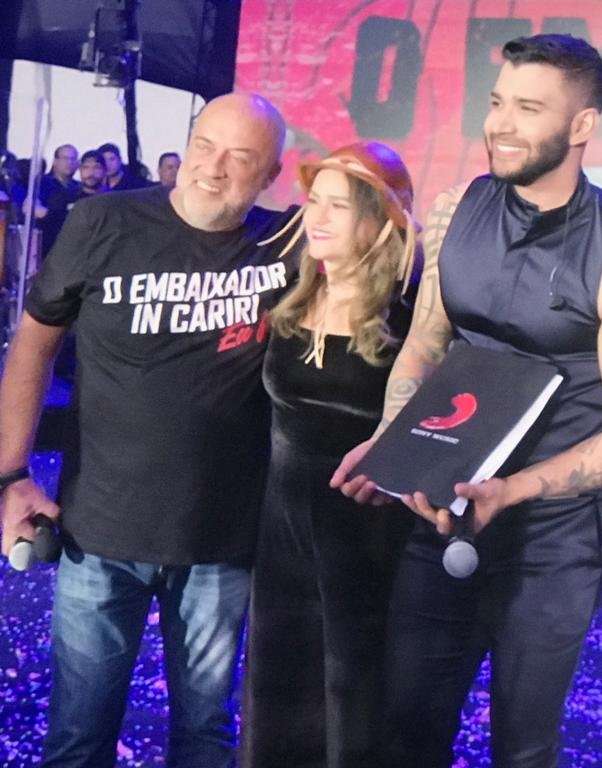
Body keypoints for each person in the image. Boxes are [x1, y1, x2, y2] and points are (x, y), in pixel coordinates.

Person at [334, 34, 602, 768]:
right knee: (404, 731)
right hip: (442, 511)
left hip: (552, 543)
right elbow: (425, 344)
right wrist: (395, 444)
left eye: (528, 108)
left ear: (582, 125)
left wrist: (512, 491)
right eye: (497, 103)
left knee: (521, 747)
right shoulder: (457, 208)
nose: (500, 124)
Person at [0, 92, 293, 767]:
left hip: (221, 541)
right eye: (204, 146)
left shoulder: (288, 243)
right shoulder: (103, 221)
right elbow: (34, 343)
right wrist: (12, 475)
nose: (212, 168)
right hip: (97, 534)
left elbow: (378, 251)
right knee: (78, 738)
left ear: (271, 174)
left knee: (205, 737)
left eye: (239, 157)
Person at [241, 142, 419, 767]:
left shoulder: (410, 318)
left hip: (365, 539)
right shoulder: (291, 299)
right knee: (277, 686)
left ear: (378, 221)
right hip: (282, 534)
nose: (314, 217)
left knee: (353, 693)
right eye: (313, 201)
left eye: (337, 206)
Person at [37, 149, 106, 259]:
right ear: (80, 170)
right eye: (86, 167)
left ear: (104, 171)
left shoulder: (112, 199)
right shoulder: (64, 198)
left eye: (96, 168)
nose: (91, 172)